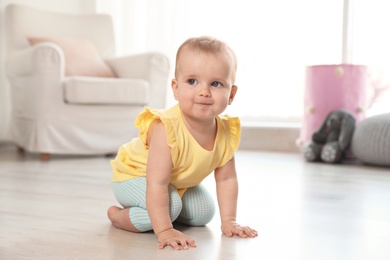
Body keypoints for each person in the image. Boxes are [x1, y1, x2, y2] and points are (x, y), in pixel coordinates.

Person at [107, 36, 258, 251]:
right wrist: (165, 230)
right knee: (170, 208)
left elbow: (227, 179)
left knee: (204, 212)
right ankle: (119, 216)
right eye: (192, 81)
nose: (204, 92)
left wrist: (229, 221)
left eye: (216, 84)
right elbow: (156, 183)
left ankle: (165, 212)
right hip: (134, 177)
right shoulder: (166, 128)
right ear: (176, 88)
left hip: (174, 183)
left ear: (231, 93)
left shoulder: (225, 132)